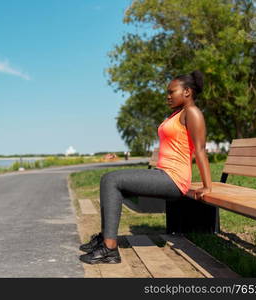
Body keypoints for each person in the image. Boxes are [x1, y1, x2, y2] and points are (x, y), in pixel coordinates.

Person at [79, 70, 213, 264]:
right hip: (163, 174)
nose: (167, 96)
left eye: (171, 91)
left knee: (111, 180)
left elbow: (200, 150)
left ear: (187, 92)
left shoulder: (192, 113)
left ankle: (109, 248)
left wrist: (207, 186)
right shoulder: (177, 114)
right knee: (110, 180)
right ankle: (106, 238)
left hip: (174, 180)